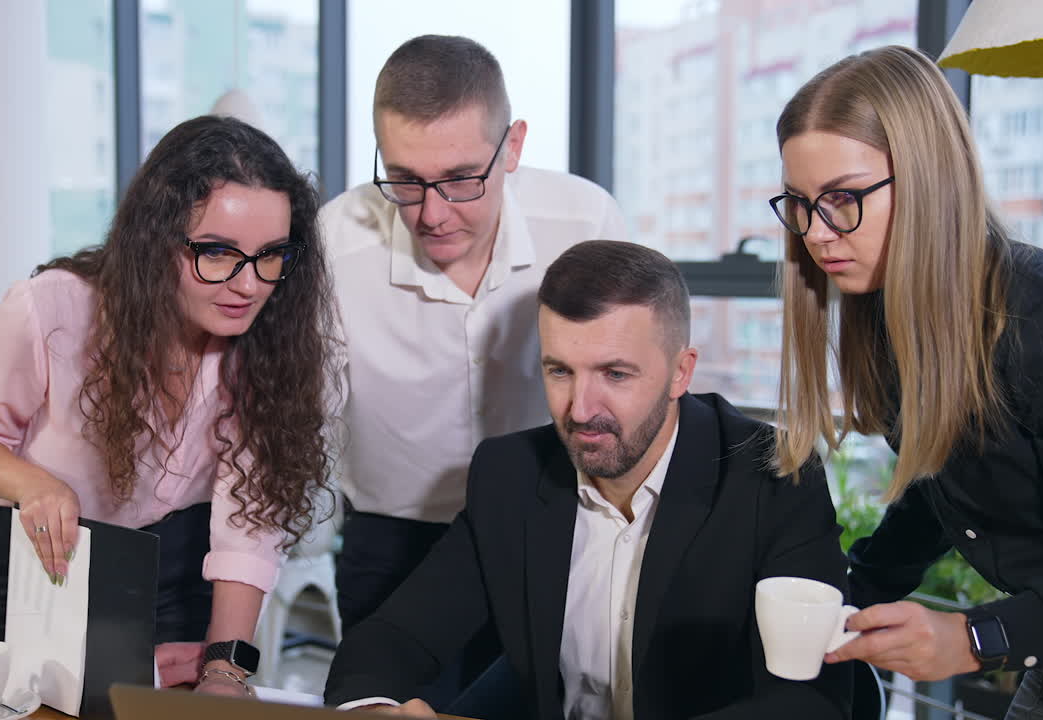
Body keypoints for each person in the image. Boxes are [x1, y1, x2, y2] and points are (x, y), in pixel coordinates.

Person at [770, 45, 1043, 718]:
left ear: (928, 180)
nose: (817, 233)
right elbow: (946, 480)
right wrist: (855, 593)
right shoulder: (891, 316)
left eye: (843, 199)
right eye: (801, 205)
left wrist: (977, 638)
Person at [324, 240, 852, 719]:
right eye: (560, 371)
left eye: (615, 374)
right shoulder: (509, 474)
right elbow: (398, 633)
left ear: (681, 372)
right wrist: (372, 706)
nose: (580, 409)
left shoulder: (774, 476)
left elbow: (809, 700)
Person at [0, 115, 340, 697]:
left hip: (174, 581)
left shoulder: (269, 348)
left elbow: (249, 526)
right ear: (156, 240)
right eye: (218, 252)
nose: (248, 285)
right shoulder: (54, 311)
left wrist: (225, 669)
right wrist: (34, 485)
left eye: (271, 255)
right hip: (40, 572)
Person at [321, 35, 627, 640]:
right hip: (391, 538)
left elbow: (637, 387)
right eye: (405, 180)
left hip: (554, 527)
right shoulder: (335, 241)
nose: (431, 214)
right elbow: (291, 420)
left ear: (512, 147)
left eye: (461, 179)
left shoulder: (586, 223)